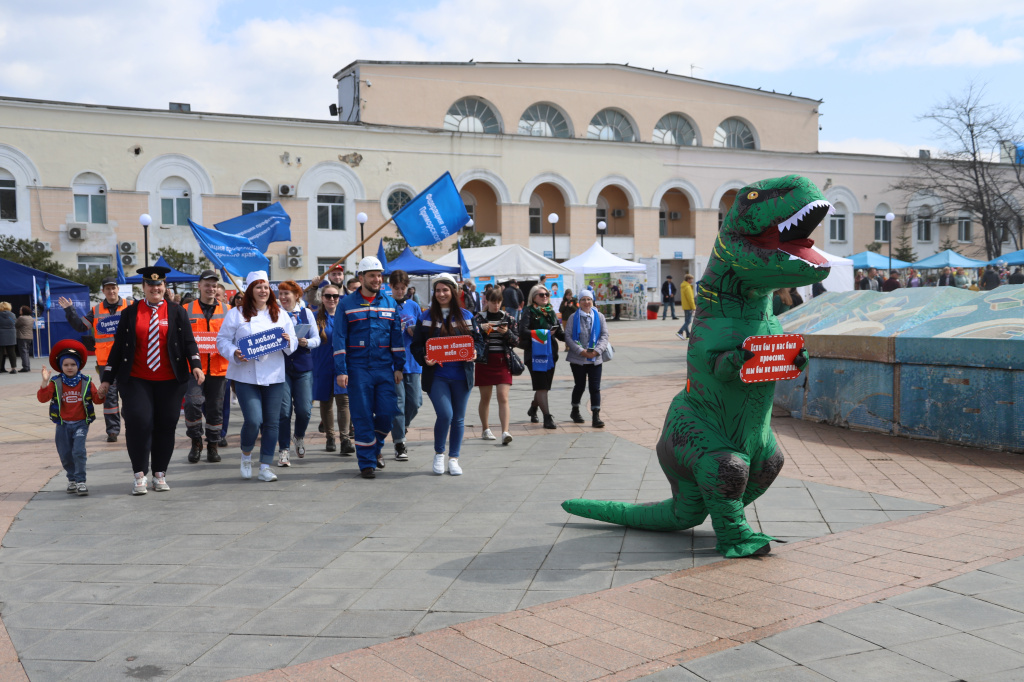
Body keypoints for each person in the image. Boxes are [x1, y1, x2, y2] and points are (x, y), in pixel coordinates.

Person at [100, 266, 205, 495]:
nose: (155, 288)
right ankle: (139, 474)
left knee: (165, 425)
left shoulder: (177, 311)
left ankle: (159, 474)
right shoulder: (130, 313)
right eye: (150, 284)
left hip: (171, 380)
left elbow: (189, 342)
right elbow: (118, 347)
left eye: (159, 284)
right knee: (139, 422)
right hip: (136, 379)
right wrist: (107, 378)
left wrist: (196, 365)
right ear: (144, 287)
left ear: (164, 286)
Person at [216, 271, 297, 483]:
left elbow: (293, 341)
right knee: (253, 420)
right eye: (258, 287)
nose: (263, 291)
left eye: (265, 287)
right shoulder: (236, 314)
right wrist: (234, 352)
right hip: (245, 375)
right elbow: (222, 340)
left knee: (272, 423)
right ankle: (246, 455)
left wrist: (289, 340)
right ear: (250, 290)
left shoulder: (280, 314)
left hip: (273, 375)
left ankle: (265, 466)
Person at [333, 256, 405, 479]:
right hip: (358, 368)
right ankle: (366, 463)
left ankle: (374, 447)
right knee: (362, 415)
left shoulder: (390, 303)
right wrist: (341, 370)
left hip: (384, 368)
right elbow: (339, 338)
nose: (377, 279)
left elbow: (397, 338)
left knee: (388, 412)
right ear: (361, 277)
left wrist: (399, 366)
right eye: (372, 275)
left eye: (379, 275)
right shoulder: (346, 304)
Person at [411, 274, 481, 475]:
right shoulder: (425, 317)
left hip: (462, 376)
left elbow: (478, 342)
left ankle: (454, 458)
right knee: (445, 414)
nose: (441, 294)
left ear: (453, 292)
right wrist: (424, 357)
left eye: (445, 290)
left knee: (458, 419)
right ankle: (439, 454)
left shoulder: (467, 316)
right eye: (438, 290)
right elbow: (416, 345)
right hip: (437, 376)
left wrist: (475, 352)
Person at [60, 275, 130, 442]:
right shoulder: (96, 310)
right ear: (103, 291)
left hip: (128, 360)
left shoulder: (131, 306)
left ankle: (132, 427)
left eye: (113, 288)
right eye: (108, 289)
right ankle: (112, 431)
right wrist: (70, 310)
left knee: (129, 396)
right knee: (109, 397)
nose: (111, 291)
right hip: (106, 362)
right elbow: (80, 326)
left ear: (118, 289)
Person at [38, 339, 100, 496]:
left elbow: (97, 399)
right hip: (62, 424)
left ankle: (80, 481)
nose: (70, 367)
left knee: (78, 451)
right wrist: (44, 382)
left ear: (79, 365)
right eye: (66, 365)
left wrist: (102, 393)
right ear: (61, 366)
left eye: (73, 364)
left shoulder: (86, 381)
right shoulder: (55, 382)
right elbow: (43, 398)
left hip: (81, 423)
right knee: (65, 454)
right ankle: (71, 478)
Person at [183, 270, 229, 464]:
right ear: (199, 286)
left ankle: (213, 445)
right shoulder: (185, 309)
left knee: (215, 409)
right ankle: (196, 442)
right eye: (207, 285)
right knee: (192, 404)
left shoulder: (228, 310)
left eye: (214, 285)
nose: (211, 288)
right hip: (193, 369)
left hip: (219, 368)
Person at [276, 281, 320, 467]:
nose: (283, 297)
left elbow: (317, 339)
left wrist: (306, 342)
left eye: (287, 293)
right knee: (284, 411)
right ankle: (284, 449)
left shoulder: (306, 313)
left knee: (304, 410)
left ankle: (299, 436)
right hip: (281, 367)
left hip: (303, 366)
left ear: (296, 295)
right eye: (280, 293)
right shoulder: (275, 314)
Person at [312, 284, 354, 455]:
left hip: (341, 364)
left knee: (344, 401)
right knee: (326, 401)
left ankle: (345, 439)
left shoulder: (345, 317)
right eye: (328, 296)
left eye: (335, 296)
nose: (331, 299)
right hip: (322, 364)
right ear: (322, 298)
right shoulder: (315, 317)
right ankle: (330, 437)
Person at [474, 288, 518, 445]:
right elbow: (471, 337)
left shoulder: (508, 318)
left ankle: (505, 431)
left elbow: (516, 341)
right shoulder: (479, 318)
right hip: (484, 361)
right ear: (487, 301)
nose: (496, 305)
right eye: (493, 302)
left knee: (503, 396)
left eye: (499, 302)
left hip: (502, 361)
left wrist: (506, 333)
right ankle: (485, 429)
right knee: (485, 398)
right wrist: (481, 330)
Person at [388, 270, 423, 461]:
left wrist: (414, 332)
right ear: (390, 287)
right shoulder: (386, 304)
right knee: (399, 403)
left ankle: (401, 425)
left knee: (416, 402)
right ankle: (399, 442)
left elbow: (422, 332)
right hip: (394, 362)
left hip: (413, 360)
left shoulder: (413, 306)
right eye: (397, 288)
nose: (400, 291)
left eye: (403, 288)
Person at [565, 289, 610, 428]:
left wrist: (597, 351)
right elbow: (568, 336)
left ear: (592, 301)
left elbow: (604, 335)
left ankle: (596, 415)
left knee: (595, 387)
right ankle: (575, 410)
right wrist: (581, 351)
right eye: (583, 299)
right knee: (580, 385)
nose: (586, 302)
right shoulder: (573, 317)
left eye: (589, 299)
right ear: (579, 302)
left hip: (595, 358)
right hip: (578, 358)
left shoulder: (599, 316)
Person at [520, 283, 562, 429]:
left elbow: (559, 333)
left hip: (550, 353)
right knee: (542, 386)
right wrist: (543, 333)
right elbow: (522, 331)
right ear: (533, 298)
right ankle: (547, 417)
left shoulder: (551, 311)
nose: (545, 297)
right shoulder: (529, 311)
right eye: (541, 295)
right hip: (534, 353)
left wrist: (574, 339)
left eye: (546, 294)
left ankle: (533, 408)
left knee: (544, 386)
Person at [676, 274, 696, 340]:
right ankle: (680, 332)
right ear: (688, 280)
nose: (692, 280)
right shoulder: (687, 287)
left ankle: (688, 335)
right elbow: (690, 299)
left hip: (685, 305)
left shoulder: (683, 286)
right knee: (688, 321)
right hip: (689, 306)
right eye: (691, 279)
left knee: (686, 321)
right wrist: (693, 307)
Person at [0, 302, 16, 374]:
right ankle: (13, 368)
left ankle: (1, 368)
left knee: (0, 352)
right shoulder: (12, 315)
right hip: (11, 335)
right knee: (12, 352)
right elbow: (14, 323)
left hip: (1, 334)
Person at [15, 305, 33, 372]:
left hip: (22, 337)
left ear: (23, 311)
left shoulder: (21, 318)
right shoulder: (31, 318)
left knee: (23, 352)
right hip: (29, 337)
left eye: (20, 309)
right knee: (26, 352)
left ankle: (25, 367)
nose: (19, 310)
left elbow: (16, 325)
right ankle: (27, 366)